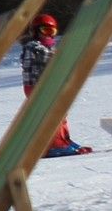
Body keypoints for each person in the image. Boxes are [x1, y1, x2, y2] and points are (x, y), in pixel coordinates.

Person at [20, 12, 89, 156]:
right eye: (45, 30)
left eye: (52, 31)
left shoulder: (47, 48)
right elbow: (50, 58)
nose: (48, 35)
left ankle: (64, 140)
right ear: (35, 31)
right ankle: (55, 145)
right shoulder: (33, 47)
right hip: (37, 87)